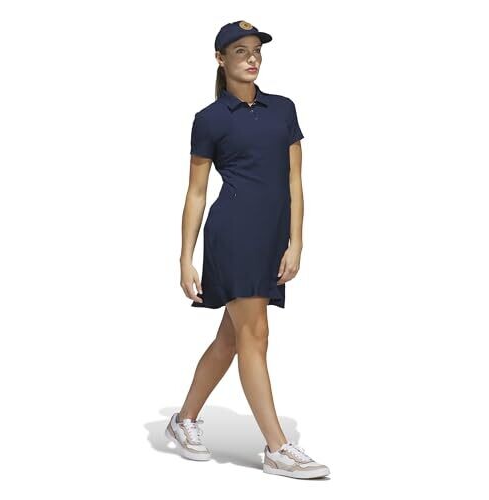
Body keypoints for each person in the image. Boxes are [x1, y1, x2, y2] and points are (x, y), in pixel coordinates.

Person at [167, 20, 330, 479]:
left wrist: (296, 242)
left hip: (271, 237)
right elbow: (196, 192)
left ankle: (184, 419)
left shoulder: (284, 109)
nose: (252, 57)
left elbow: (295, 181)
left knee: (231, 339)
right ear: (221, 59)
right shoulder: (210, 119)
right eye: (240, 51)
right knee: (255, 334)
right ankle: (277, 447)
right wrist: (185, 258)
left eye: (256, 49)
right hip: (234, 234)